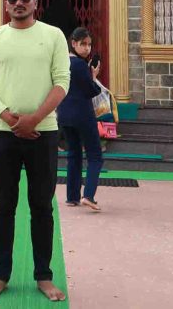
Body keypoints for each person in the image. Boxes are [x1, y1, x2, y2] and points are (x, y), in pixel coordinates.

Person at [0, 0, 70, 302]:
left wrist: (33, 119)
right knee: (4, 207)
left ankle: (43, 276)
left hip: (43, 134)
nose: (19, 3)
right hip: (4, 135)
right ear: (6, 4)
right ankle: (1, 274)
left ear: (35, 2)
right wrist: (13, 120)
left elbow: (62, 83)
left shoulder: (53, 36)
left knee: (42, 207)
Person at [57, 27, 105, 212]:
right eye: (83, 44)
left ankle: (72, 197)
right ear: (73, 43)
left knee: (73, 154)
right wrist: (93, 78)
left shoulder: (61, 62)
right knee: (95, 156)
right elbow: (90, 90)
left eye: (89, 44)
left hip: (65, 114)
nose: (87, 48)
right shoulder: (79, 65)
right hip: (83, 115)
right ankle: (89, 196)